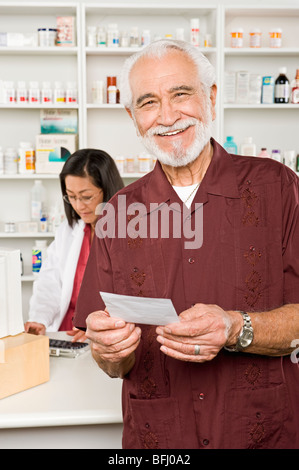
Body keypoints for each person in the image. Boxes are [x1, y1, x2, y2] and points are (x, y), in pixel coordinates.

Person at [74, 40, 299, 449]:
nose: (168, 116)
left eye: (181, 93)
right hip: (160, 440)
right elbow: (112, 361)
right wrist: (109, 351)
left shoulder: (278, 188)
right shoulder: (118, 212)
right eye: (148, 102)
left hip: (261, 433)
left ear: (210, 96)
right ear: (133, 116)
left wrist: (236, 327)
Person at [25, 148, 124, 341]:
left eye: (86, 197)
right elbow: (49, 282)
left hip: (107, 336)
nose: (78, 206)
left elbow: (133, 296)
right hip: (65, 334)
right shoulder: (68, 231)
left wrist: (98, 326)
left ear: (107, 190)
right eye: (71, 196)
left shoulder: (131, 233)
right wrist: (39, 319)